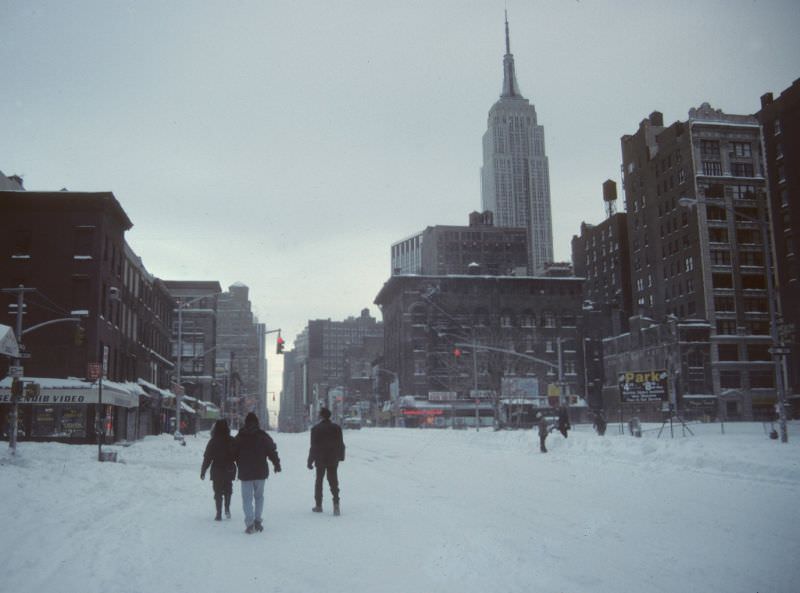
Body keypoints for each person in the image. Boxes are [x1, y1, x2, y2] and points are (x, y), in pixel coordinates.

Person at [232, 412, 281, 534]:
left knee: (247, 499)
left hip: (245, 473)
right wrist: (276, 464)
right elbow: (272, 451)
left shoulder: (240, 436)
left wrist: (233, 463)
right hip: (260, 472)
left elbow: (232, 452)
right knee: (259, 497)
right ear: (257, 423)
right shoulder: (263, 436)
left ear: (246, 422)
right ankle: (258, 521)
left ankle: (250, 525)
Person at [307, 407, 345, 516]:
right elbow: (341, 444)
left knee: (319, 481)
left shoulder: (315, 429)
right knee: (333, 481)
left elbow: (313, 447)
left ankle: (318, 505)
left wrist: (310, 461)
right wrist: (341, 457)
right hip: (333, 458)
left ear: (321, 416)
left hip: (320, 458)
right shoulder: (337, 428)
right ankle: (336, 504)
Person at [200, 419, 236, 521]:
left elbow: (207, 458)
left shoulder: (213, 441)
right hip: (229, 469)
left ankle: (218, 513)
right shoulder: (232, 440)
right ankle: (227, 508)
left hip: (217, 469)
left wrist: (203, 471)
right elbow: (238, 456)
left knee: (218, 491)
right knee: (228, 489)